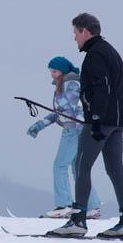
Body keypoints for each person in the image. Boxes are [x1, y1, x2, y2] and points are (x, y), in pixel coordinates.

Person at [49, 13, 123, 238]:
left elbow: (101, 89)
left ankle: (78, 219)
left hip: (101, 121)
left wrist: (96, 119)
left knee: (80, 165)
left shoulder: (95, 55)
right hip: (117, 121)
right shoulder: (110, 51)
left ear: (86, 31)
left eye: (76, 33)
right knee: (115, 170)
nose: (74, 38)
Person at [27, 56, 101, 219]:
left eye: (54, 71)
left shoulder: (71, 83)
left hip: (73, 131)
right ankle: (92, 206)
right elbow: (60, 112)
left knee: (59, 166)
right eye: (51, 72)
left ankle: (64, 205)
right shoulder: (64, 84)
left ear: (62, 71)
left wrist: (83, 129)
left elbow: (79, 107)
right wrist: (40, 124)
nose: (52, 75)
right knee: (77, 169)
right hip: (75, 129)